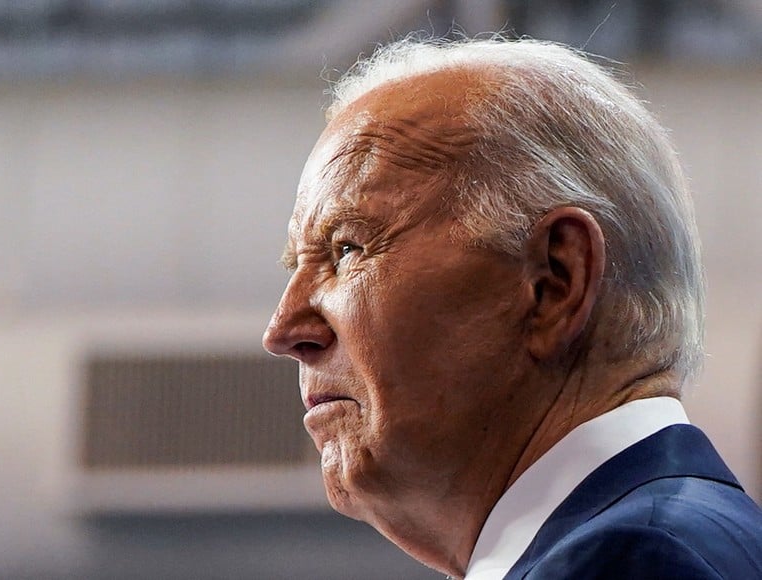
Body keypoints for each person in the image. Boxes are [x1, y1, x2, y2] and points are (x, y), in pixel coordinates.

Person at [261, 37, 762, 579]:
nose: (284, 329)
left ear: (553, 282)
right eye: (296, 266)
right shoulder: (672, 538)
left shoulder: (629, 562)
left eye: (348, 249)